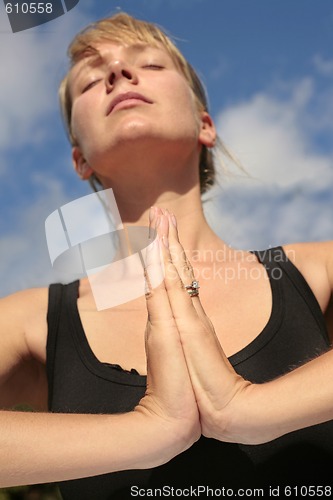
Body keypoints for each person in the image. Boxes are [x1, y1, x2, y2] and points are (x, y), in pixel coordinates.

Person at [1, 11, 333, 499]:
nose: (117, 73)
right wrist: (150, 430)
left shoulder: (316, 270)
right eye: (93, 80)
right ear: (80, 159)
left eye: (150, 64)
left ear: (205, 125)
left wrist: (249, 408)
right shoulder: (32, 323)